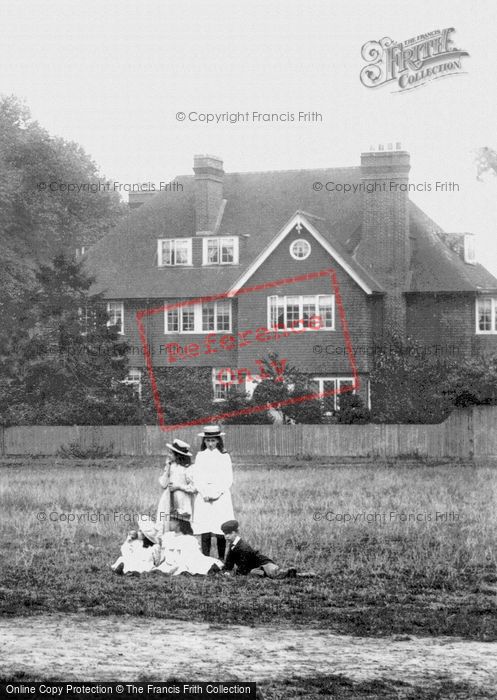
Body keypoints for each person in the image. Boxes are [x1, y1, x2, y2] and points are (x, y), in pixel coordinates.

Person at [190, 425, 234, 559]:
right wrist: (204, 493)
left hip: (220, 496)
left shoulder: (224, 457)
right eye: (207, 441)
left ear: (218, 441)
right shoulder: (200, 456)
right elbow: (196, 477)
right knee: (205, 528)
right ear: (204, 441)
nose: (210, 444)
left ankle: (221, 559)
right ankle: (205, 560)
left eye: (213, 440)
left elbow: (228, 478)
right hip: (204, 497)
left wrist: (216, 494)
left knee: (220, 527)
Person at [221, 520, 297, 578]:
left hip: (263, 563)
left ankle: (299, 574)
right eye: (225, 534)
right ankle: (262, 573)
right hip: (253, 568)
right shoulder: (232, 545)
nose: (226, 536)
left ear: (236, 533)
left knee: (275, 574)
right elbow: (229, 563)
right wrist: (225, 571)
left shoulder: (243, 546)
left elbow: (244, 566)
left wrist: (233, 573)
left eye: (229, 533)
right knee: (254, 573)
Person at [154, 515, 223, 576]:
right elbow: (165, 554)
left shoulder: (188, 539)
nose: (169, 523)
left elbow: (188, 558)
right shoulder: (168, 536)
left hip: (184, 562)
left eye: (171, 521)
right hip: (169, 562)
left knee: (192, 567)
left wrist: (176, 566)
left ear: (178, 523)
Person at [156, 438, 195, 533]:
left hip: (182, 499)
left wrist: (178, 486)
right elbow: (163, 484)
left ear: (178, 455)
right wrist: (167, 470)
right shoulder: (171, 466)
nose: (168, 455)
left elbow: (194, 488)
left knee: (181, 523)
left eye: (171, 453)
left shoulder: (188, 468)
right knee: (166, 522)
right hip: (168, 498)